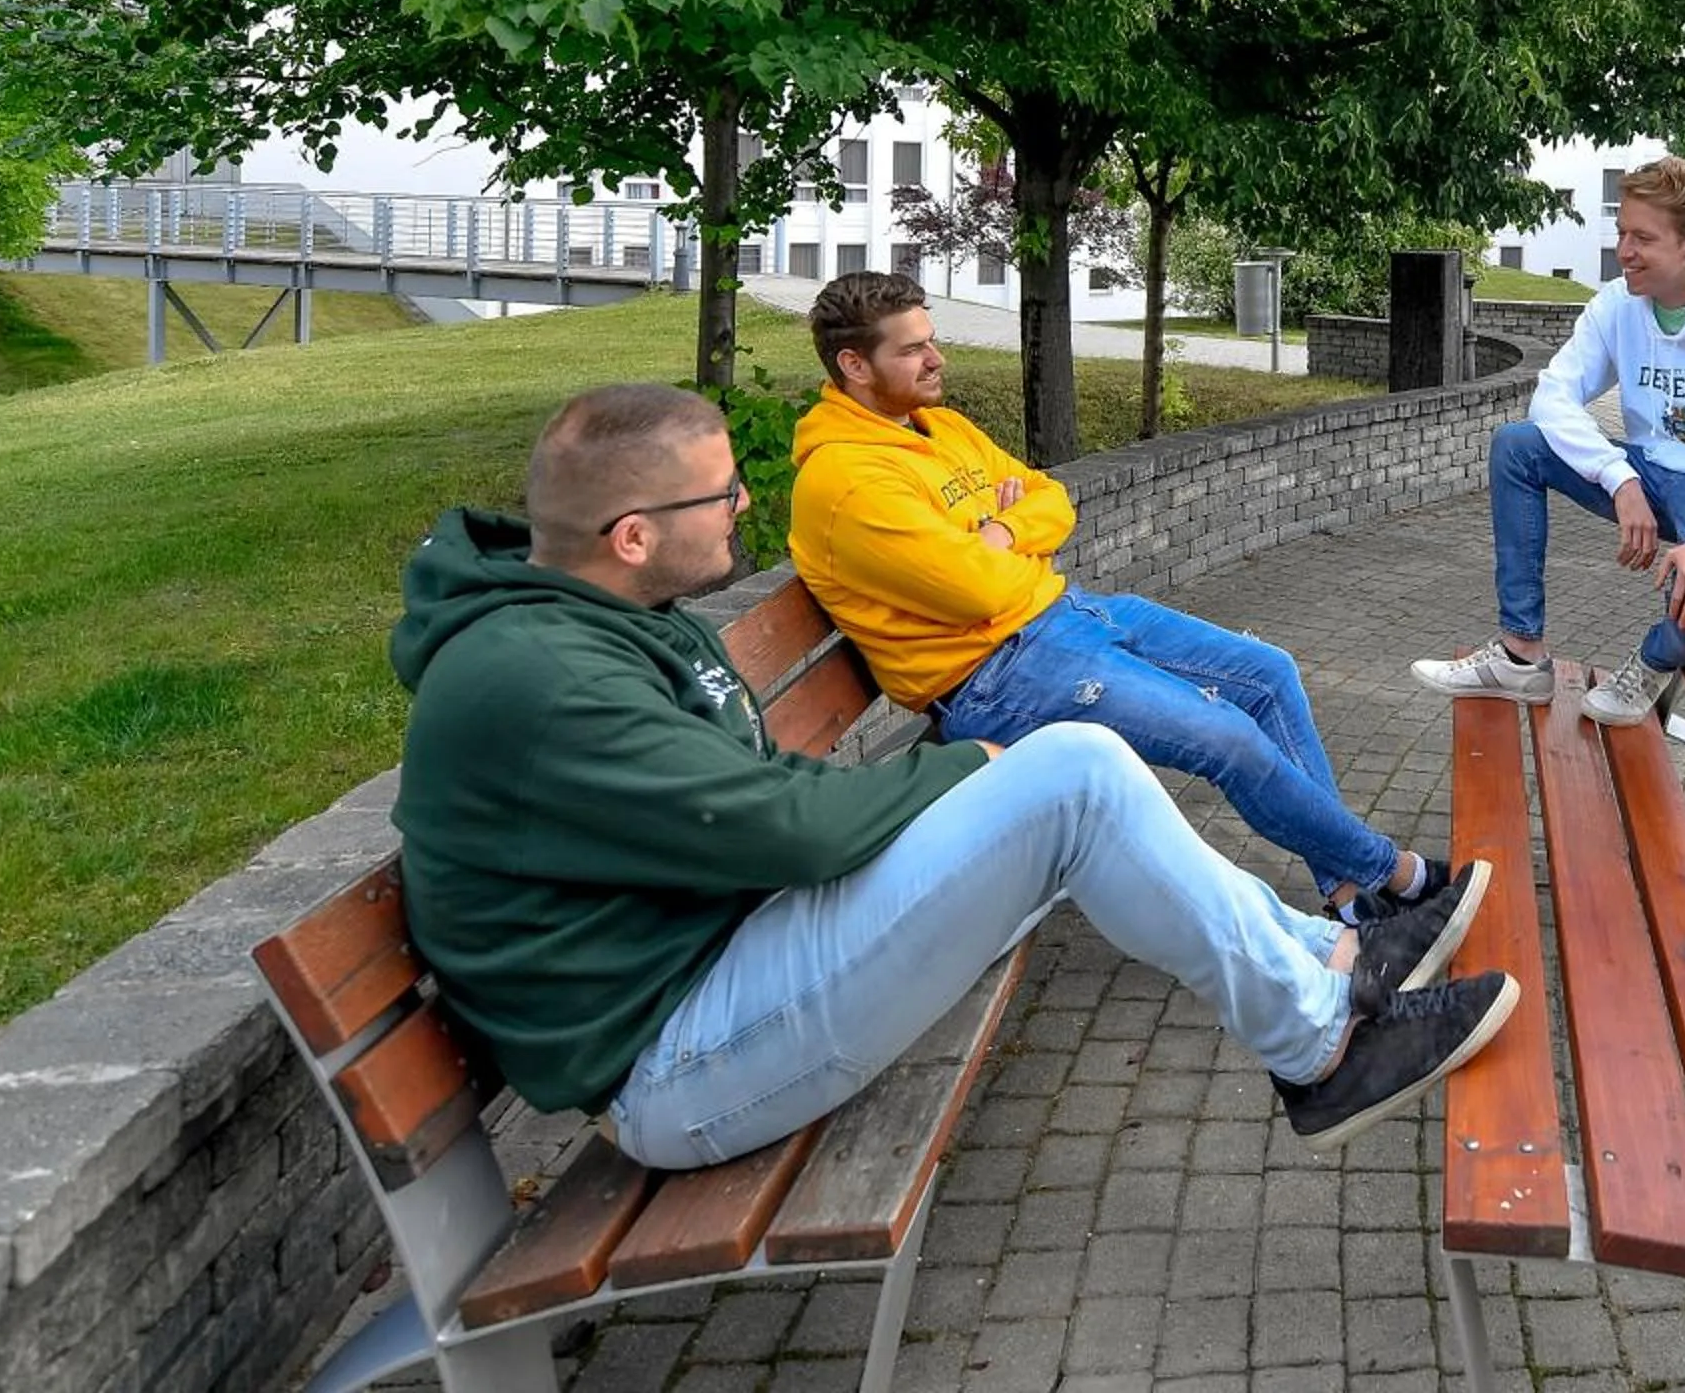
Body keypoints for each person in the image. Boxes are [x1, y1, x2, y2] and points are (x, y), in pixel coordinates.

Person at [389, 383, 1517, 1165]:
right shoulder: (537, 677)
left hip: (733, 954)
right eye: (722, 494)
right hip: (678, 1060)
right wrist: (969, 762)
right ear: (632, 534)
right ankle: (1322, 1041)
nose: (745, 507)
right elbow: (796, 828)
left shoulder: (598, 619)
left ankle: (1331, 960)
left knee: (1085, 777)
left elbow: (767, 819)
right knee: (1069, 770)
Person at [790, 271, 1473, 926]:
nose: (937, 358)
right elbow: (979, 589)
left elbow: (1052, 500)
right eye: (912, 350)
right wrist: (1006, 548)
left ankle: (1350, 893)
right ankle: (1396, 874)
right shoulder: (847, 481)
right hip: (994, 676)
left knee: (1268, 675)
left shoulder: (940, 429)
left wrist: (999, 529)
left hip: (1064, 617)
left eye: (931, 338)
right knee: (1227, 736)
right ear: (854, 365)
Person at [1411, 154, 1685, 726]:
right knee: (1518, 446)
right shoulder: (1618, 303)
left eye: (1642, 238)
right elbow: (1553, 395)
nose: (1623, 251)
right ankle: (1520, 655)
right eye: (1621, 233)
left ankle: (1653, 663)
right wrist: (1618, 475)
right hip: (1655, 470)